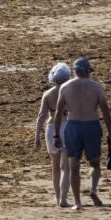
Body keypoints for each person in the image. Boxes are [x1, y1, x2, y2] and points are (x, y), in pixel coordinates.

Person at [55, 57, 111, 209]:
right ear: (87, 71)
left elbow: (58, 113)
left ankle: (77, 202)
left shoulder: (65, 87)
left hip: (73, 126)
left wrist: (56, 134)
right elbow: (105, 111)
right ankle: (93, 190)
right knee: (94, 163)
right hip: (91, 125)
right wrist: (110, 131)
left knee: (74, 164)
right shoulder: (96, 87)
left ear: (75, 71)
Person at [33, 63, 73, 208]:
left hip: (51, 129)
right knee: (66, 166)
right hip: (67, 127)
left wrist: (37, 135)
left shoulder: (48, 94)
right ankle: (63, 198)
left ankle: (57, 198)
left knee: (55, 166)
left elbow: (41, 116)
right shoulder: (69, 92)